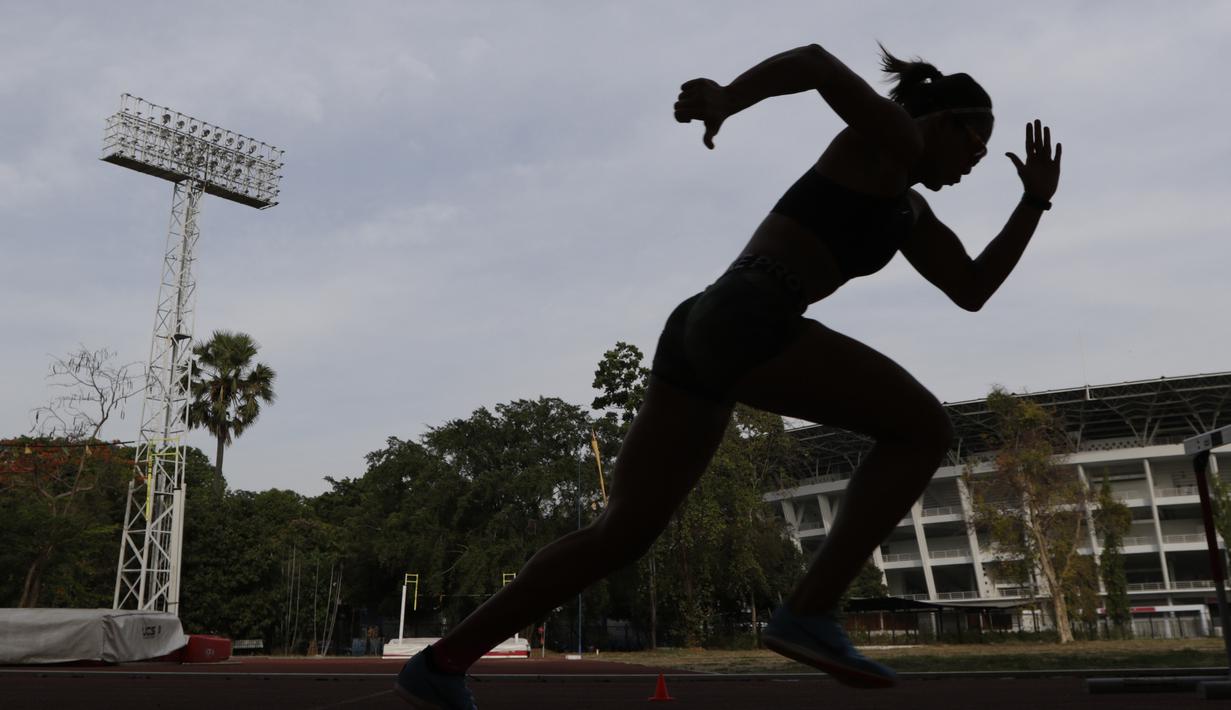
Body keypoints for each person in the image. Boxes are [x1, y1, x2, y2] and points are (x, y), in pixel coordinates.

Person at [396, 42, 1062, 708]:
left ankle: (443, 662)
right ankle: (809, 611)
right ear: (942, 121)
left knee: (620, 535)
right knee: (921, 429)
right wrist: (726, 99)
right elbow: (815, 64)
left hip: (703, 327)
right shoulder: (889, 137)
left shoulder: (907, 211)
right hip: (750, 314)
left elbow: (971, 287)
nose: (979, 162)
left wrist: (1032, 202)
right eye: (978, 143)